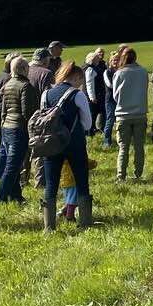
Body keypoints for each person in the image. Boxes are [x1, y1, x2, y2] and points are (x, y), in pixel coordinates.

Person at [39, 61, 94, 232]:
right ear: (76, 76)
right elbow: (87, 123)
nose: (81, 83)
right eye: (81, 79)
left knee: (51, 185)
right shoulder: (77, 95)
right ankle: (85, 223)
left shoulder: (46, 94)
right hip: (74, 144)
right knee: (81, 181)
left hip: (52, 144)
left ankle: (49, 227)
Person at [0, 56, 39, 203]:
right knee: (13, 167)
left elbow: (4, 109)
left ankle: (16, 196)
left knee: (14, 165)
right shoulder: (25, 86)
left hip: (6, 128)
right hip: (18, 129)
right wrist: (33, 128)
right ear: (24, 69)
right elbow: (27, 112)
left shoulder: (8, 84)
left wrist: (1, 123)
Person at [111, 47, 148, 181]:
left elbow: (115, 95)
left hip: (123, 114)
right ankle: (138, 173)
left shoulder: (119, 74)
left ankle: (121, 175)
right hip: (140, 114)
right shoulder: (143, 72)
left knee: (123, 147)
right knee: (139, 146)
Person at [84, 49, 107, 135]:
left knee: (93, 114)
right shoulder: (90, 69)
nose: (99, 60)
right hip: (93, 96)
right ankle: (89, 132)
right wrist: (92, 97)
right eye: (97, 59)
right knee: (92, 115)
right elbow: (89, 84)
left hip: (95, 94)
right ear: (92, 60)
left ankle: (92, 130)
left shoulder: (92, 68)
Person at [101, 50, 120, 147]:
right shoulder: (107, 72)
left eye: (117, 60)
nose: (115, 62)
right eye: (114, 60)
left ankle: (120, 139)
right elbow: (109, 84)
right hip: (111, 99)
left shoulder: (121, 71)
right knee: (110, 119)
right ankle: (106, 141)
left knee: (120, 120)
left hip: (120, 98)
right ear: (110, 62)